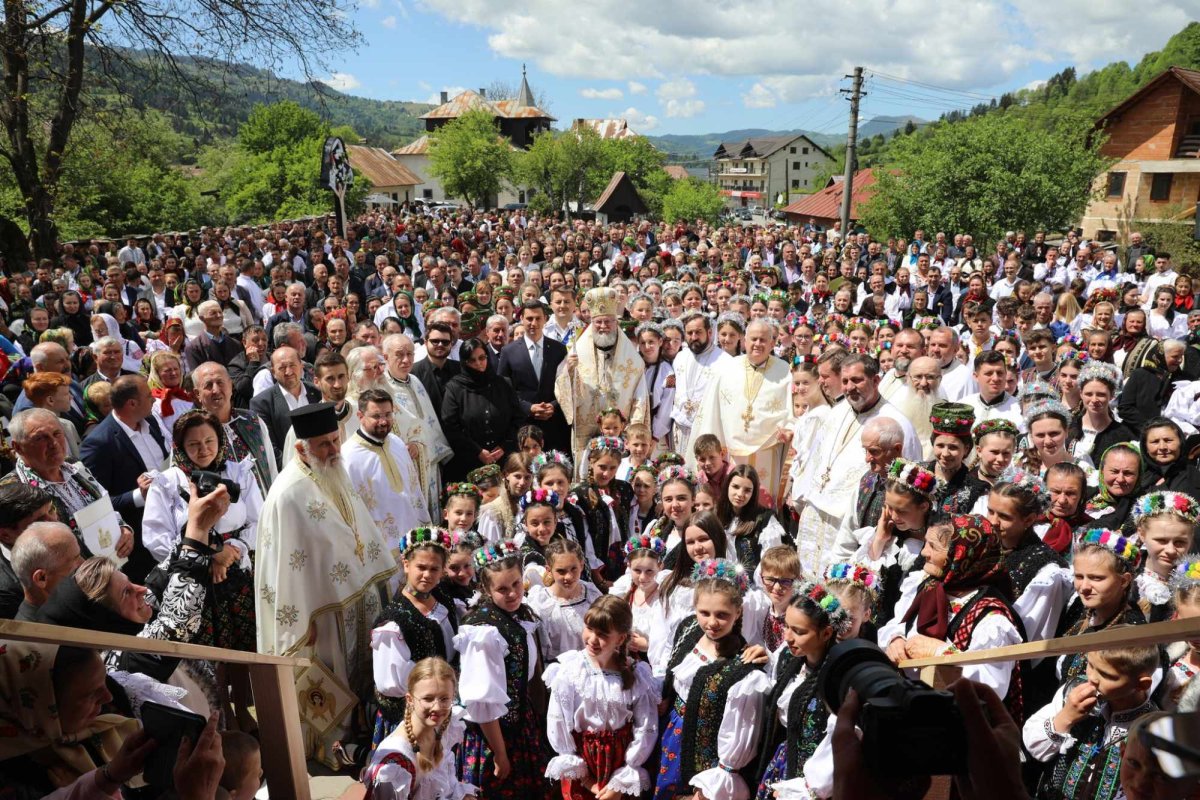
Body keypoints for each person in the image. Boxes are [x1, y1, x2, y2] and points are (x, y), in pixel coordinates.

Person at [255, 402, 399, 769]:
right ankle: (331, 746)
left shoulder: (334, 469)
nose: (334, 450)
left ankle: (363, 732)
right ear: (302, 448)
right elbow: (288, 567)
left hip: (354, 600)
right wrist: (304, 624)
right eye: (324, 444)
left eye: (336, 440)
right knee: (331, 679)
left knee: (359, 676)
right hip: (320, 615)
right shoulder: (288, 494)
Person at [880, 514, 1025, 721]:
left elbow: (992, 687)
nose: (924, 553)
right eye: (925, 544)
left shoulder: (991, 619)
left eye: (933, 547)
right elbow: (897, 622)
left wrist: (942, 653)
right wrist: (895, 639)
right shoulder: (928, 585)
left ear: (961, 555)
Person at [141, 408, 263, 651]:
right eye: (194, 444)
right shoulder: (166, 482)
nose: (203, 449)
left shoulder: (239, 473)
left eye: (209, 441)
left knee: (247, 645)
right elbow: (155, 538)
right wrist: (208, 554)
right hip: (192, 578)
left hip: (236, 571)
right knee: (206, 651)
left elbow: (259, 520)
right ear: (180, 446)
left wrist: (233, 550)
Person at [793, 353, 921, 576]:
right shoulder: (837, 412)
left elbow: (904, 484)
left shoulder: (896, 422)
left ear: (876, 380)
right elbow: (817, 458)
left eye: (857, 380)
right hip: (816, 514)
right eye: (845, 381)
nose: (850, 387)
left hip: (854, 523)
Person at [653, 558, 769, 800]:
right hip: (670, 733)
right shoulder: (688, 629)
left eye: (722, 615)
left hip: (705, 755)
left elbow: (741, 729)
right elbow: (672, 672)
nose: (712, 622)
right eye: (704, 613)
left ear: (738, 612)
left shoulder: (742, 663)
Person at [453, 541, 548, 800]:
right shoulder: (483, 632)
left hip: (518, 723)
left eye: (516, 584)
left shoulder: (515, 614)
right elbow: (482, 702)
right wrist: (500, 753)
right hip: (494, 736)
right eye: (502, 589)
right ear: (485, 588)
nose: (512, 594)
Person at [544, 595, 660, 800]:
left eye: (603, 634)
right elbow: (559, 719)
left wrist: (622, 780)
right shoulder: (572, 671)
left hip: (620, 762)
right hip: (583, 762)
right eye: (589, 629)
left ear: (621, 638)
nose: (592, 639)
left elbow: (646, 725)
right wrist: (586, 779)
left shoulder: (636, 673)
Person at [754, 580, 851, 800]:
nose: (787, 636)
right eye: (786, 626)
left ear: (826, 634)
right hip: (784, 761)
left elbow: (840, 742)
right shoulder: (790, 658)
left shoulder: (836, 678)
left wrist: (810, 788)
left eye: (798, 631)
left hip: (814, 781)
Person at [1024, 643, 1158, 800]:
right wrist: (1066, 717)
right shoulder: (1074, 690)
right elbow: (1034, 746)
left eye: (1107, 675)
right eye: (1090, 664)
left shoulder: (1152, 729)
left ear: (1141, 684)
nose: (1092, 678)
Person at [369, 528, 460, 747]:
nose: (427, 575)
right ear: (406, 565)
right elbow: (392, 685)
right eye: (421, 567)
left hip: (443, 705)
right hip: (412, 718)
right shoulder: (394, 622)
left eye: (434, 569)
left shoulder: (443, 600)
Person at [688, 318, 793, 503]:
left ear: (772, 343)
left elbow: (792, 411)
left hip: (767, 452)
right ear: (744, 341)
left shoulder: (785, 371)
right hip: (731, 452)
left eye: (763, 340)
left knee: (762, 504)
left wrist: (790, 429)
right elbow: (711, 411)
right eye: (753, 339)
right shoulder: (727, 368)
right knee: (730, 500)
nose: (757, 344)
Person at [363, 656, 478, 800]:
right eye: (428, 699)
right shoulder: (395, 763)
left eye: (444, 698)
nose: (437, 707)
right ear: (410, 700)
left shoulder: (442, 727)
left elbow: (446, 786)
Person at [555, 287, 649, 462]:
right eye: (598, 322)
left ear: (616, 323)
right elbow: (563, 389)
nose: (603, 326)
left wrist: (634, 431)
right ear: (591, 323)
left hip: (620, 435)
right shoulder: (577, 351)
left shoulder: (633, 360)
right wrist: (569, 371)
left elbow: (640, 398)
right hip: (586, 435)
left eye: (608, 321)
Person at [342, 388, 431, 556]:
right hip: (380, 549)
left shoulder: (397, 443)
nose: (383, 421)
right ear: (360, 417)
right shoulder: (348, 457)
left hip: (412, 537)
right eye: (376, 416)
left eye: (388, 415)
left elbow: (414, 492)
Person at [382, 333, 454, 522]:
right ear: (385, 356)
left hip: (427, 459)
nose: (406, 360)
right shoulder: (382, 388)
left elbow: (427, 420)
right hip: (406, 463)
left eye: (410, 354)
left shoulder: (415, 380)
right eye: (399, 354)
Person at [440, 337, 525, 482]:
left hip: (504, 459)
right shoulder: (455, 388)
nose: (478, 364)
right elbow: (450, 426)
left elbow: (518, 418)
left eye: (482, 358)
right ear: (464, 362)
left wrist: (504, 446)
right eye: (472, 360)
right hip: (469, 462)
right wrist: (477, 452)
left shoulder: (503, 384)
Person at [191, 361, 277, 495]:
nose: (216, 390)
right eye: (208, 385)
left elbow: (271, 466)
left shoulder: (252, 420)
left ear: (231, 386)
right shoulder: (190, 431)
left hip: (264, 508)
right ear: (197, 394)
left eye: (220, 382)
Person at [497, 300, 570, 454]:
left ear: (545, 319)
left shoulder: (559, 349)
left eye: (538, 318)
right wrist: (528, 407)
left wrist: (553, 405)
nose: (533, 323)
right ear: (521, 319)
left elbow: (566, 384)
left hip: (554, 424)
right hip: (523, 424)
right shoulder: (508, 352)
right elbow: (503, 389)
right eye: (529, 318)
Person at [249, 346, 322, 468]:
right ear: (273, 372)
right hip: (289, 470)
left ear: (301, 366)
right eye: (282, 368)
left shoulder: (317, 393)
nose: (288, 372)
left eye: (292, 365)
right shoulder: (261, 403)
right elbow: (269, 448)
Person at [10, 521, 83, 621]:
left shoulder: (69, 606)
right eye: (75, 559)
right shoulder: (38, 633)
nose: (83, 564)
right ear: (41, 578)